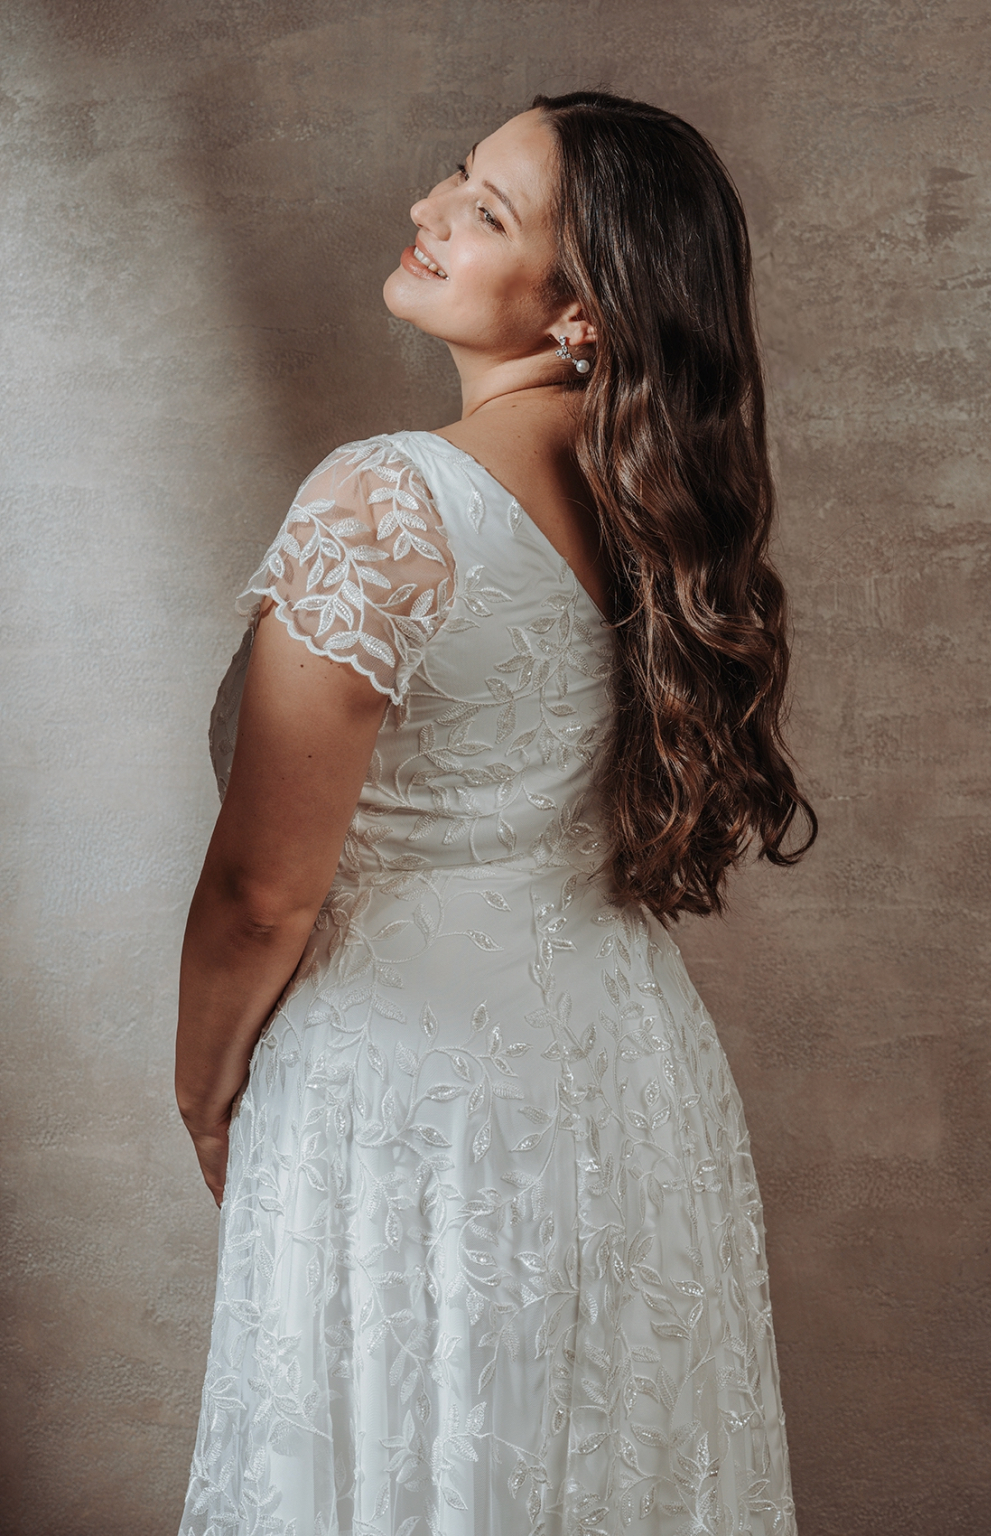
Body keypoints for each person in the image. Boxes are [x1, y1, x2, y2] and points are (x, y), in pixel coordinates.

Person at [176, 90, 816, 1536]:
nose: (428, 210)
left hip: (415, 1101)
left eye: (484, 212)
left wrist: (203, 1089)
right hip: (626, 1077)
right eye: (457, 177)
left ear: (581, 312)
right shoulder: (661, 507)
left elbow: (262, 892)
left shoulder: (384, 503)